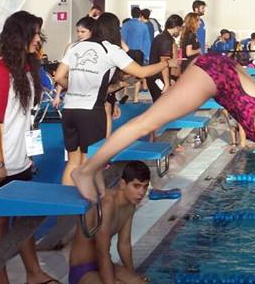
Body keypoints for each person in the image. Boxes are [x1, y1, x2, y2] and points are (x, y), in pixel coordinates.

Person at [72, 53, 255, 246]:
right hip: (213, 77)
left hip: (223, 67)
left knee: (148, 122)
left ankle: (94, 168)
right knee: (146, 123)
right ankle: (86, 170)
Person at [0, 11, 57, 284]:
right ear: (20, 36)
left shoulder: (26, 69)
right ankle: (0, 277)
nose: (39, 39)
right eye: (35, 34)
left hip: (18, 157)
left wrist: (27, 156)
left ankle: (34, 273)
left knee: (24, 217)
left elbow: (25, 119)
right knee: (0, 220)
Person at [54, 13, 178, 186]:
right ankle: (88, 207)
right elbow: (141, 72)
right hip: (91, 112)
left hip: (69, 110)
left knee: (73, 162)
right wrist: (166, 64)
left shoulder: (75, 47)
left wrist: (77, 88)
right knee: (90, 164)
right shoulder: (110, 49)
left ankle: (66, 206)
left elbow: (59, 76)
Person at [68, 160, 151, 284]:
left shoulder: (130, 206)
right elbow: (101, 251)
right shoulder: (107, 203)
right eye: (136, 186)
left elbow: (124, 245)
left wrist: (132, 276)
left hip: (105, 264)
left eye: (145, 187)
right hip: (83, 269)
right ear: (123, 184)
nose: (141, 193)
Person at [146, 14, 184, 101]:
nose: (180, 32)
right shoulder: (166, 40)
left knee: (161, 105)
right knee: (161, 105)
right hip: (158, 77)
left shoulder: (163, 37)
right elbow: (164, 63)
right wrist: (167, 83)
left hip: (157, 76)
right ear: (177, 27)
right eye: (181, 29)